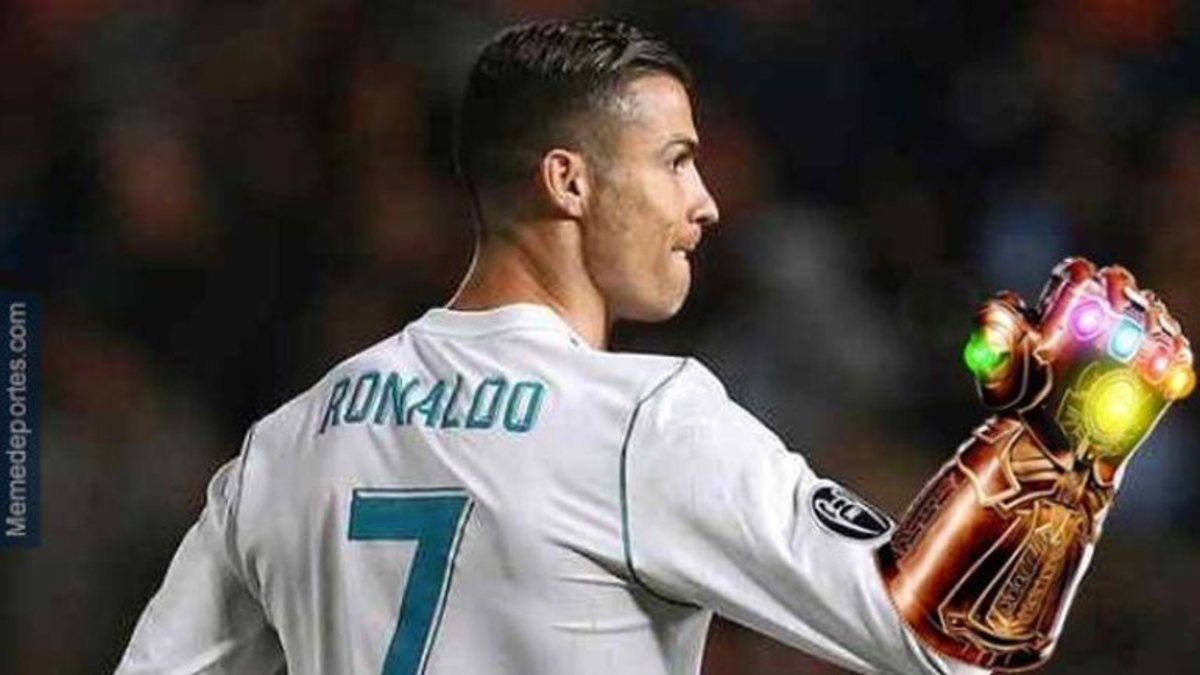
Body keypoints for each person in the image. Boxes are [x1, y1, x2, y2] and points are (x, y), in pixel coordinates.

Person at [114, 19, 1192, 675]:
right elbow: (946, 638)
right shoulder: (639, 421)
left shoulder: (289, 438)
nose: (706, 202)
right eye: (676, 160)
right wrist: (1064, 448)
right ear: (569, 180)